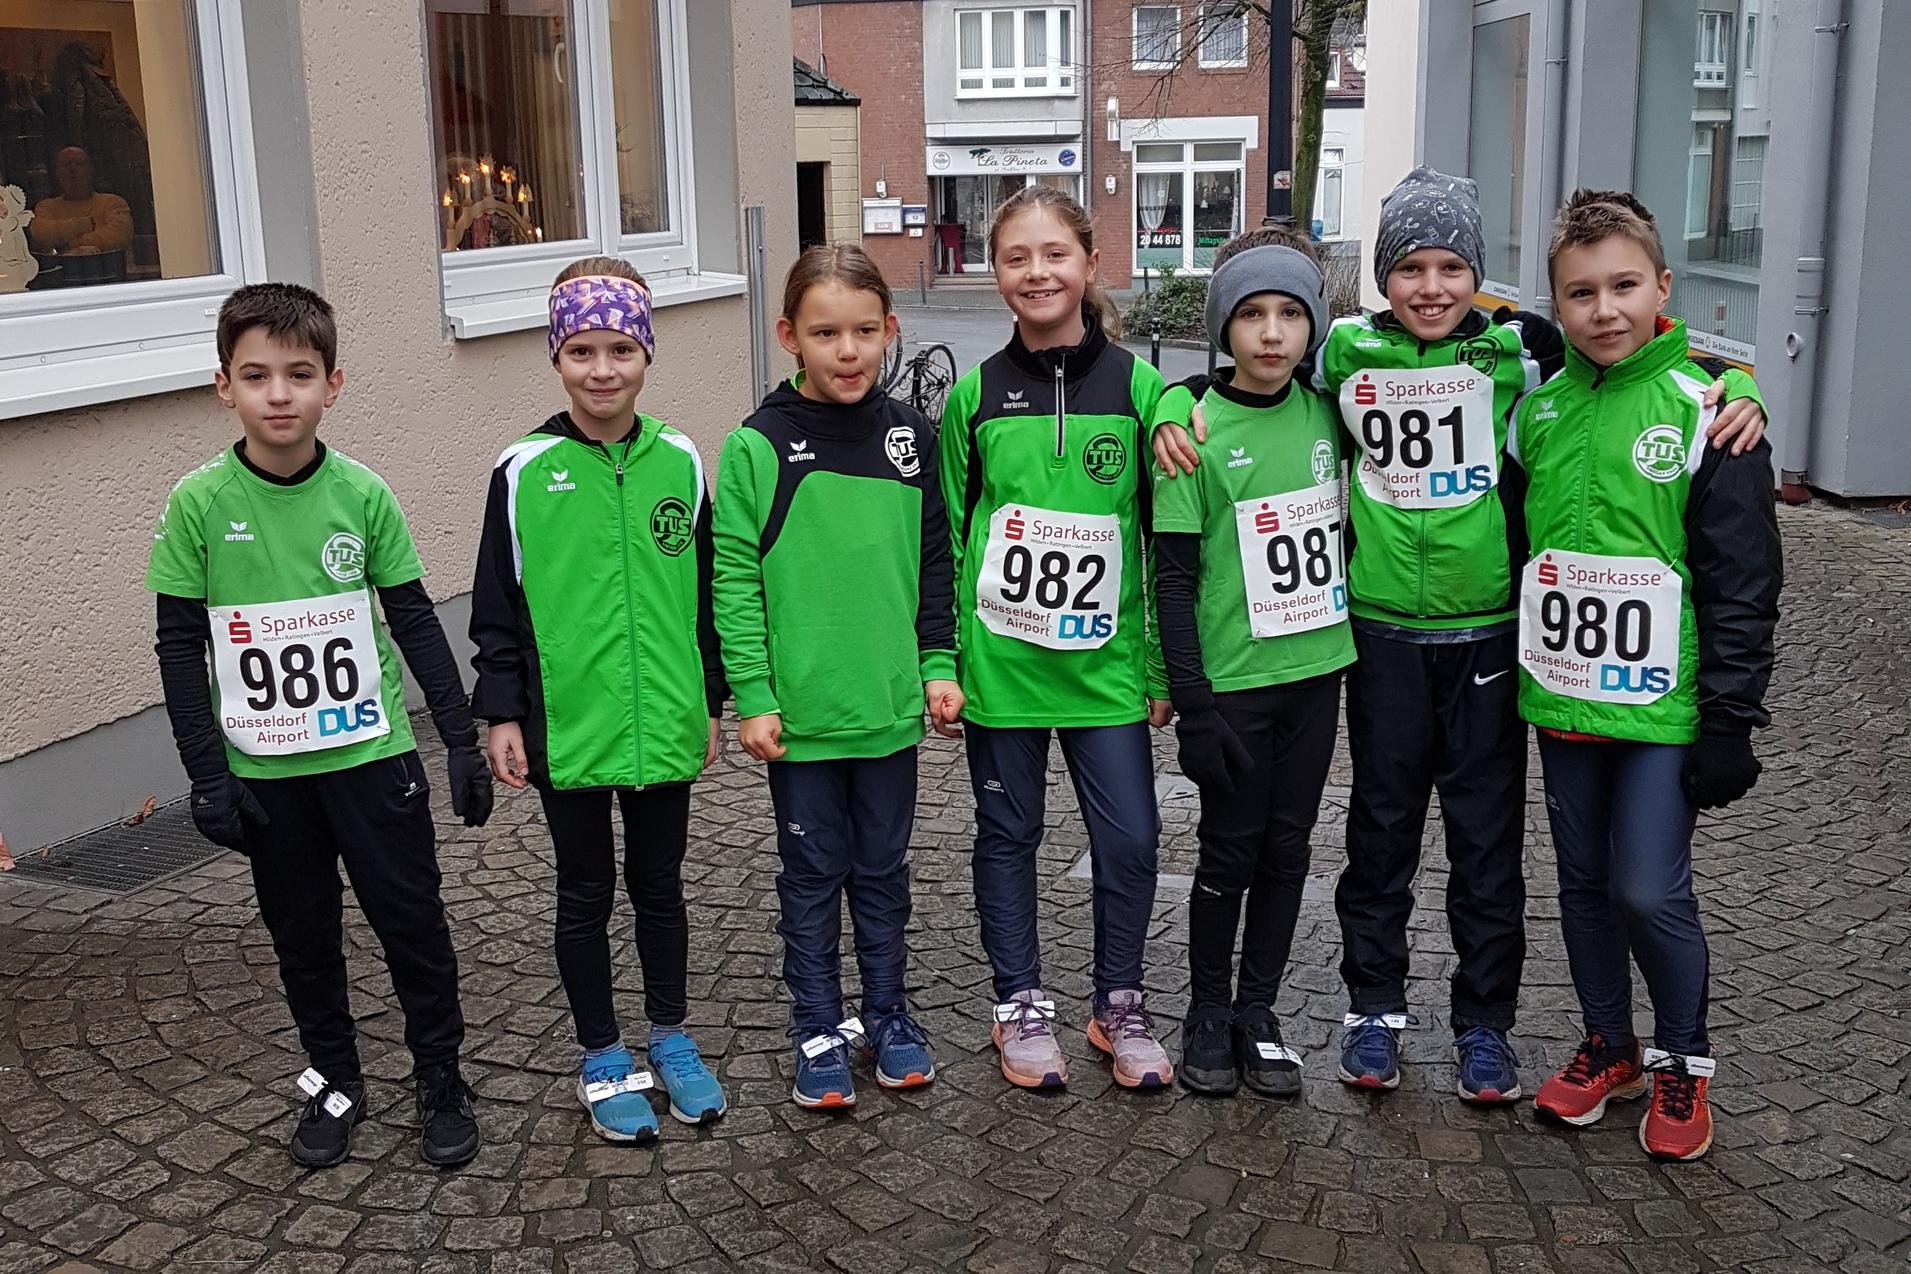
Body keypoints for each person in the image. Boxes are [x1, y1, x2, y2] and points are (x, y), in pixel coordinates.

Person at [1151, 167, 1766, 1104]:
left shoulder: (1523, 355)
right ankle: (1373, 1009)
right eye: (1408, 268)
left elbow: (1636, 356)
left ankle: (1484, 1026)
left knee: (1485, 845)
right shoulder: (1340, 354)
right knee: (1380, 833)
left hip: (1488, 638)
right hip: (1382, 636)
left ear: (1477, 276)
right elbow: (1244, 371)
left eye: (1450, 268)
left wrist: (1739, 381)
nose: (1430, 287)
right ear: (1380, 280)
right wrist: (1166, 404)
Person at [146, 283, 491, 1169]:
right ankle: (333, 1084)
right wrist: (207, 776)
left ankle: (441, 1077)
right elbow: (179, 645)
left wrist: (455, 736)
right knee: (302, 940)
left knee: (412, 924)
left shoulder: (363, 494)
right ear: (224, 385)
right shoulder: (197, 503)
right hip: (268, 771)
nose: (279, 393)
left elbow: (413, 617)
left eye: (299, 374)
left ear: (332, 384)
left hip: (371, 759)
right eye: (256, 375)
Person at [1512, 190, 1780, 1161]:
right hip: (1563, 699)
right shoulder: (1535, 413)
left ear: (1663, 287)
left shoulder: (1709, 409)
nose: (1604, 309)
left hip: (1664, 710)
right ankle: (1608, 1044)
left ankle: (1683, 1059)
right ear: (1557, 303)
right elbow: (1516, 548)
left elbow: (1743, 574)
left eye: (1624, 285)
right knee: (1581, 883)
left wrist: (1731, 718)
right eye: (1580, 292)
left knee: (1648, 888)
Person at [469, 258, 728, 1142]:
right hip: (566, 726)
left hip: (664, 719)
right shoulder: (523, 467)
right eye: (582, 350)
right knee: (584, 890)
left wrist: (711, 700)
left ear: (646, 354)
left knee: (660, 886)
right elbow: (495, 601)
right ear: (556, 357)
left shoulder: (682, 458)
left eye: (621, 347)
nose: (602, 368)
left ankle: (672, 1036)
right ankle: (602, 1053)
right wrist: (500, 712)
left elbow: (706, 594)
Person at [712, 243, 960, 1109]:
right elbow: (734, 580)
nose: (846, 351)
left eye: (863, 331)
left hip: (889, 712)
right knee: (813, 877)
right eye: (825, 333)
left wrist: (936, 663)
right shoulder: (757, 446)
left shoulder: (909, 438)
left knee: (885, 872)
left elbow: (937, 563)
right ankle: (816, 1025)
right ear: (789, 336)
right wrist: (754, 695)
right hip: (805, 722)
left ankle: (888, 1014)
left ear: (889, 331)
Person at [939, 185, 1173, 1091]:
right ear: (994, 273)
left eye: (1053, 255)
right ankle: (1018, 1004)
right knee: (1008, 834)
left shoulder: (1141, 387)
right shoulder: (974, 396)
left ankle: (1118, 1004)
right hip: (1002, 669)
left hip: (1106, 671)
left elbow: (1159, 539)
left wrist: (1155, 665)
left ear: (1088, 262)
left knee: (1133, 841)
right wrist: (946, 661)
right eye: (1015, 258)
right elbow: (952, 538)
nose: (1036, 272)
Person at [1151, 232, 1354, 1100]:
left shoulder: (1332, 412)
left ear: (1313, 328)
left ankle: (1258, 1013)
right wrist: (1193, 704)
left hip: (1317, 671)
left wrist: (1734, 378)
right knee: (1226, 851)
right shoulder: (1192, 426)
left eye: (1288, 315)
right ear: (1222, 330)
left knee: (1287, 849)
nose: (1271, 334)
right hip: (1233, 682)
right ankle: (1205, 1011)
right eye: (1250, 315)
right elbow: (1172, 577)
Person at [28, 147, 132, 254]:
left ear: (91, 171)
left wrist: (66, 245)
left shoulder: (113, 203)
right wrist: (84, 224)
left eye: (79, 163)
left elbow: (119, 236)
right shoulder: (46, 207)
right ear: (57, 173)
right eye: (66, 164)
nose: (72, 169)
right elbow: (39, 235)